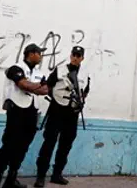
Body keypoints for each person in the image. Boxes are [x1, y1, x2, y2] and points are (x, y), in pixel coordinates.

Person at [0, 44, 49, 188]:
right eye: (39, 53)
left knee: (23, 146)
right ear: (31, 54)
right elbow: (22, 84)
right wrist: (36, 86)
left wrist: (34, 86)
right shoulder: (15, 68)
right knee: (9, 144)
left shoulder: (38, 73)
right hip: (16, 109)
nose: (41, 57)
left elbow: (45, 90)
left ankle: (11, 178)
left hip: (32, 111)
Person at [35, 46, 89, 186]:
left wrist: (80, 101)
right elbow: (48, 87)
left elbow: (85, 91)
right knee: (49, 143)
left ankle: (57, 174)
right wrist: (56, 97)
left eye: (79, 55)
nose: (76, 57)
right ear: (71, 55)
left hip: (72, 114)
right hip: (57, 111)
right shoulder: (60, 70)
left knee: (66, 145)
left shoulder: (85, 74)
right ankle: (40, 176)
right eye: (74, 54)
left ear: (82, 58)